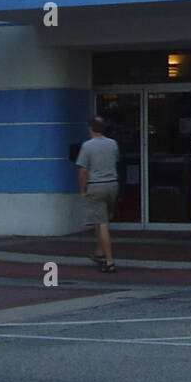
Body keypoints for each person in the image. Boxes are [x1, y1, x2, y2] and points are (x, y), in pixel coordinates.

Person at [76, 116, 120, 273]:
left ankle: (109, 261)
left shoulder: (87, 146)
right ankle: (99, 251)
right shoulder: (113, 144)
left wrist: (82, 190)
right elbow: (115, 161)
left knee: (101, 223)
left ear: (91, 129)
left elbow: (83, 170)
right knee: (102, 219)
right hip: (112, 184)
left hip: (95, 186)